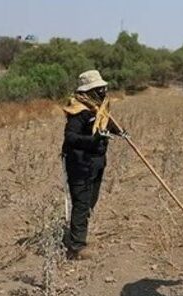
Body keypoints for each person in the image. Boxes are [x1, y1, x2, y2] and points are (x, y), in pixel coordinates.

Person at [61, 70, 125, 259]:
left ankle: (77, 234)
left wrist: (120, 132)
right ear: (89, 91)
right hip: (80, 163)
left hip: (96, 161)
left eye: (103, 88)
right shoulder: (78, 111)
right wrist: (93, 140)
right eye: (99, 89)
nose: (103, 92)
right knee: (81, 203)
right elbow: (70, 137)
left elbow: (107, 125)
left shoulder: (99, 108)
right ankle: (76, 248)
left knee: (90, 201)